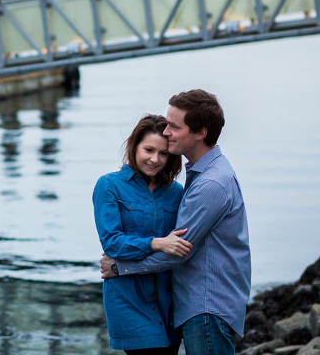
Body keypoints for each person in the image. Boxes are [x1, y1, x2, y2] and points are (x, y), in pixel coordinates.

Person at [100, 90, 251, 355]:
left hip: (205, 305)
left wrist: (118, 267)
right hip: (189, 306)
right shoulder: (202, 175)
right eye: (148, 149)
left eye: (174, 126)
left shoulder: (209, 184)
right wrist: (154, 245)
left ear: (200, 133)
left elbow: (177, 253)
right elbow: (117, 240)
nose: (167, 131)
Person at [93, 114, 193, 354]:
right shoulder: (108, 186)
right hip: (128, 301)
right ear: (134, 146)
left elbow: (181, 246)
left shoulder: (176, 193)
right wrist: (157, 243)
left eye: (163, 153)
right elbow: (113, 243)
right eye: (148, 150)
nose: (155, 159)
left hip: (168, 302)